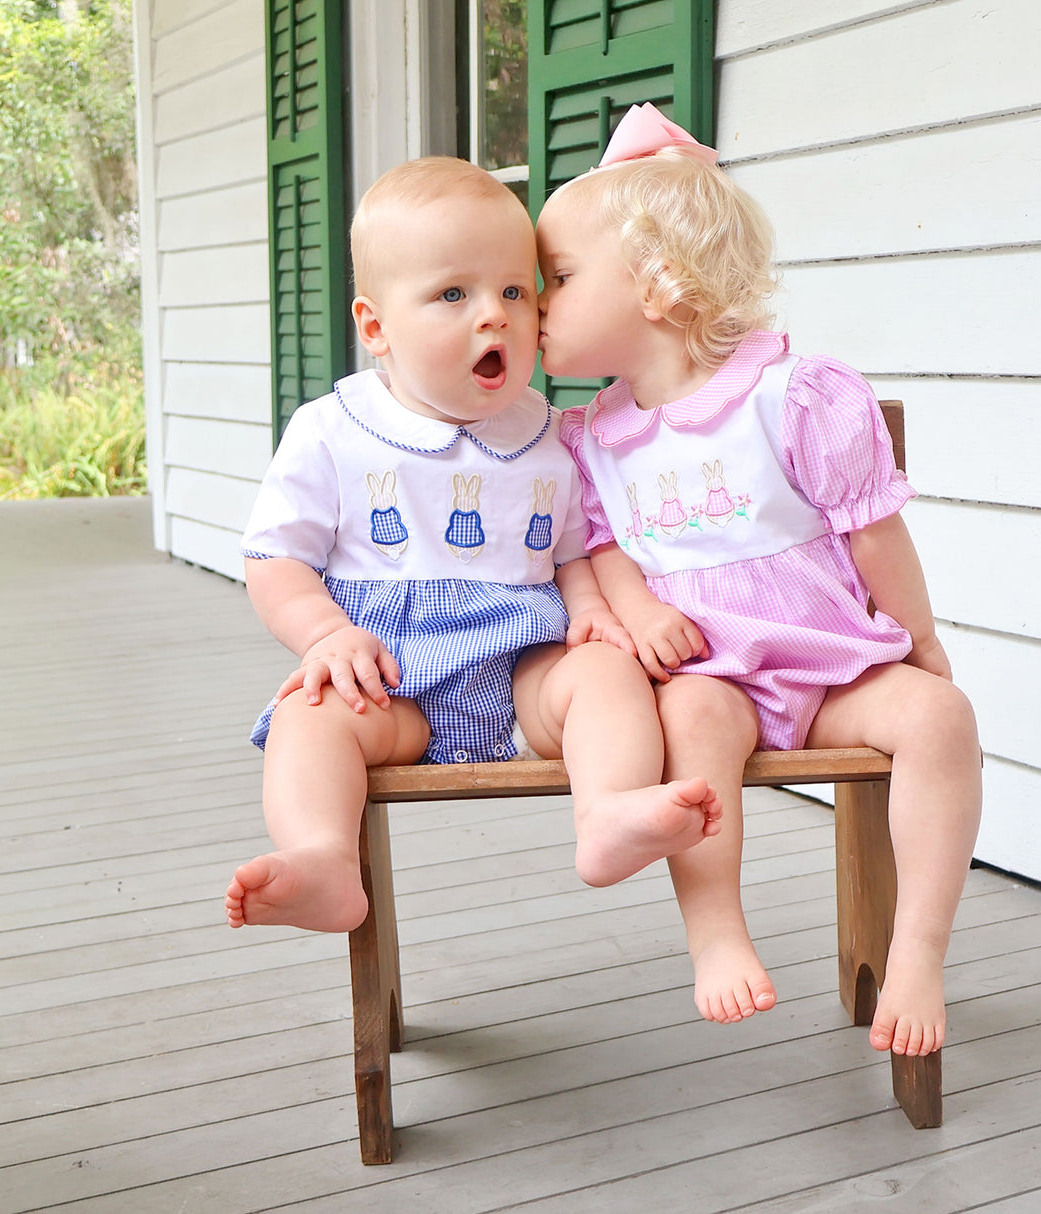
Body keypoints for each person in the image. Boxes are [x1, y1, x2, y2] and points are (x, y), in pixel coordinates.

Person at [535, 104, 983, 1053]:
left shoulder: (794, 396)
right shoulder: (589, 440)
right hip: (709, 674)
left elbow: (874, 536)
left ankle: (918, 948)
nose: (537, 302)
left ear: (655, 285)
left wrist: (924, 642)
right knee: (693, 721)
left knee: (942, 718)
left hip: (831, 669)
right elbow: (602, 545)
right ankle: (716, 934)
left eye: (559, 278)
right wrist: (640, 605)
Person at [225, 156, 723, 936]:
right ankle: (323, 860)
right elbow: (274, 556)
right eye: (453, 294)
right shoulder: (333, 430)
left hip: (525, 672)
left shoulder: (555, 435)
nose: (494, 314)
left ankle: (608, 812)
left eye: (516, 291)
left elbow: (572, 551)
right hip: (390, 684)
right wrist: (324, 636)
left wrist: (591, 612)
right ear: (376, 326)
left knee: (603, 674)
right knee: (309, 716)